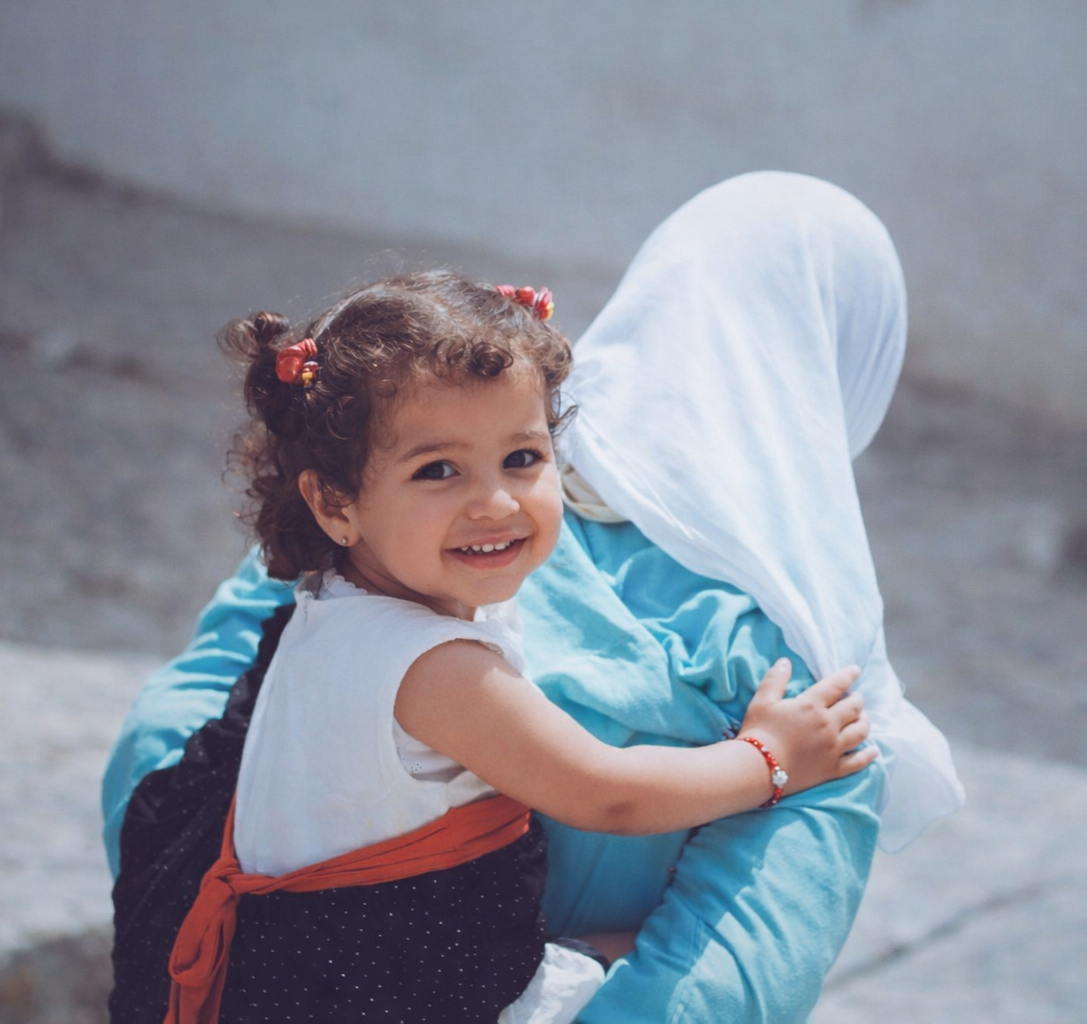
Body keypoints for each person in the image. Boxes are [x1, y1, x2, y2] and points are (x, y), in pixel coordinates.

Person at [104, 172, 965, 1023]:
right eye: (439, 470)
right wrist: (773, 760)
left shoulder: (355, 565)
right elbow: (610, 796)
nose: (494, 501)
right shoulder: (794, 645)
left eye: (523, 460)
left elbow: (165, 731)